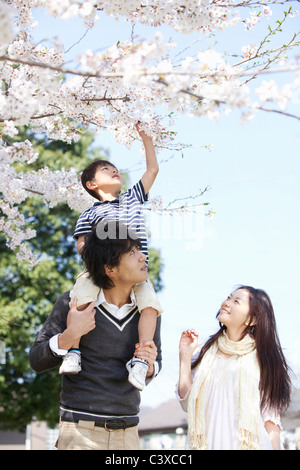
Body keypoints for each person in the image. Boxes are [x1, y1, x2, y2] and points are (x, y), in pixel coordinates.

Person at [29, 221, 162, 451]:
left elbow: (156, 363)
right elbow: (36, 359)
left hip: (128, 432)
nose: (142, 257)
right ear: (110, 269)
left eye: (139, 249)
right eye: (132, 252)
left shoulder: (148, 311)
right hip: (80, 429)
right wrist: (70, 335)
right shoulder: (72, 302)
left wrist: (150, 365)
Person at [59, 123, 163, 392]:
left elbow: (152, 170)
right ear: (92, 184)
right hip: (99, 271)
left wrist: (147, 139)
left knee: (150, 306)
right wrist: (99, 259)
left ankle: (140, 360)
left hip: (136, 274)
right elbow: (82, 245)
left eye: (114, 167)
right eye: (105, 169)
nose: (113, 170)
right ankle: (73, 350)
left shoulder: (131, 199)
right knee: (79, 300)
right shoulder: (89, 214)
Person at [177, 285, 292, 450]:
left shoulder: (264, 360)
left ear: (251, 319)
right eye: (229, 297)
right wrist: (185, 357)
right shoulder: (204, 352)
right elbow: (186, 404)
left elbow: (270, 421)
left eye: (236, 301)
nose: (226, 303)